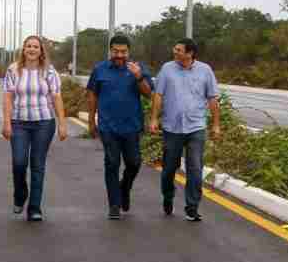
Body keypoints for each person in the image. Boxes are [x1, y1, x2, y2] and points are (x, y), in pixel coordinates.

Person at [148, 38, 221, 222]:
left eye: (179, 50)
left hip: (196, 126)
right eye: (175, 48)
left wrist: (216, 124)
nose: (175, 52)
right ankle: (168, 197)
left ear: (190, 53)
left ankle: (192, 207)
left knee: (195, 168)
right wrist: (154, 118)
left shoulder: (205, 70)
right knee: (169, 168)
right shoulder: (167, 69)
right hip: (172, 127)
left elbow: (212, 98)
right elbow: (158, 94)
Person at [87, 35, 153, 220]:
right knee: (112, 162)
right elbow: (92, 94)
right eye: (116, 51)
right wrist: (92, 120)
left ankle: (125, 187)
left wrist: (139, 77)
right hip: (108, 127)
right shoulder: (100, 69)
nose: (119, 55)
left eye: (123, 52)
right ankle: (114, 205)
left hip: (132, 126)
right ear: (110, 51)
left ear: (128, 52)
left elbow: (149, 94)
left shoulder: (138, 68)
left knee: (134, 162)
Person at [2, 35, 68, 222]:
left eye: (35, 47)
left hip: (44, 123)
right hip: (18, 122)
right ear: (23, 49)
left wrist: (62, 124)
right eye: (28, 46)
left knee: (38, 165)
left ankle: (34, 207)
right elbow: (7, 97)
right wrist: (6, 122)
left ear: (41, 51)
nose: (32, 49)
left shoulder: (49, 71)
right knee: (19, 162)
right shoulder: (13, 70)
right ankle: (20, 194)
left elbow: (56, 97)